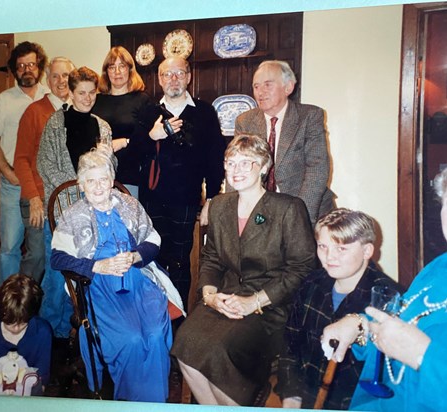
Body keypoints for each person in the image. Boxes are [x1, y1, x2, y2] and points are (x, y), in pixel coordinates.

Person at [170, 134, 317, 406]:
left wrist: (255, 302)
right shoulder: (220, 205)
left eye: (245, 163)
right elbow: (211, 257)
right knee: (184, 342)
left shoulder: (288, 208)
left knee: (218, 350)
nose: (235, 171)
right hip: (225, 297)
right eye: (230, 163)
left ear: (264, 166)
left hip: (271, 305)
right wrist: (210, 295)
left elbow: (303, 267)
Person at [49, 148, 177, 402]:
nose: (98, 186)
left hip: (139, 281)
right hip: (99, 286)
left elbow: (153, 241)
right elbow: (58, 258)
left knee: (153, 334)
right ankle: (130, 402)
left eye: (104, 179)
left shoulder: (129, 204)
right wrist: (97, 266)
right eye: (91, 181)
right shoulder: (74, 215)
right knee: (130, 338)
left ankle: (155, 404)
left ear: (111, 180)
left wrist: (134, 256)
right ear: (81, 184)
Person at [321, 168, 447, 411]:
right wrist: (360, 325)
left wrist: (422, 355)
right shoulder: (438, 268)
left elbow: (415, 345)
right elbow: (399, 319)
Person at [277, 208, 401, 410]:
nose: (329, 257)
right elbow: (290, 346)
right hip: (306, 399)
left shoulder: (388, 300)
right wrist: (292, 396)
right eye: (322, 246)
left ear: (367, 251)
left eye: (341, 249)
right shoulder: (311, 283)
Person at [136, 56, 226, 308]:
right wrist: (152, 135)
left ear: (188, 77)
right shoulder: (149, 112)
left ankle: (179, 317)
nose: (173, 79)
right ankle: (158, 314)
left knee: (179, 260)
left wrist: (210, 200)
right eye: (167, 74)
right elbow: (134, 156)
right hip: (151, 200)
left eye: (179, 73)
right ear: (160, 79)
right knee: (154, 257)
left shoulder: (204, 112)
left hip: (186, 201)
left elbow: (214, 157)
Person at [36, 66, 112, 339]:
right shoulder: (56, 123)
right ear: (70, 92)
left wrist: (108, 156)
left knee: (87, 272)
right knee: (58, 273)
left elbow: (109, 170)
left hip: (93, 213)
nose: (88, 98)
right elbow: (45, 164)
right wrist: (78, 189)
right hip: (61, 212)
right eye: (82, 92)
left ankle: (80, 325)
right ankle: (50, 330)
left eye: (92, 92)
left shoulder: (102, 126)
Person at [235, 60, 334, 226]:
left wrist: (299, 216)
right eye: (256, 86)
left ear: (288, 87)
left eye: (268, 84)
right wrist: (237, 212)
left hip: (307, 208)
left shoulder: (309, 116)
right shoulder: (245, 121)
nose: (260, 92)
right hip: (263, 212)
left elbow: (317, 169)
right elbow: (237, 167)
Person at [0, 41, 49, 285]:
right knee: (9, 246)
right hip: (14, 185)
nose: (26, 70)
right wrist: (9, 174)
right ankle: (6, 305)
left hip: (42, 187)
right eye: (21, 66)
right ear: (14, 70)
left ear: (39, 66)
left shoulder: (50, 97)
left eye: (31, 64)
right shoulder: (3, 101)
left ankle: (31, 302)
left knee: (39, 250)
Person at [13, 56, 76, 285]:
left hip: (65, 199)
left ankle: (54, 313)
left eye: (66, 75)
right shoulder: (34, 112)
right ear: (47, 81)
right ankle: (20, 310)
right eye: (55, 76)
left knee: (62, 258)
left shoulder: (77, 110)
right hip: (38, 196)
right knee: (37, 257)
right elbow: (20, 159)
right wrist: (33, 199)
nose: (61, 81)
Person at [92, 46, 152, 198]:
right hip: (99, 175)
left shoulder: (142, 99)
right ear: (106, 72)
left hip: (130, 176)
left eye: (122, 66)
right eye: (112, 67)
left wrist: (125, 141)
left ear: (130, 70)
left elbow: (149, 139)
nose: (117, 72)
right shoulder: (96, 101)